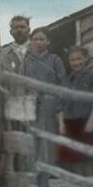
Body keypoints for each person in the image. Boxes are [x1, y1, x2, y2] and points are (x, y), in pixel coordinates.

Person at [57, 46, 93, 174]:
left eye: (79, 59)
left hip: (86, 120)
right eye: (72, 60)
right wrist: (61, 124)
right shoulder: (66, 80)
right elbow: (60, 103)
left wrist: (91, 121)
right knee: (73, 155)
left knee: (89, 154)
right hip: (69, 121)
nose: (76, 63)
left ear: (86, 59)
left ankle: (92, 184)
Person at [23, 27, 66, 163]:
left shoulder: (55, 60)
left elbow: (62, 84)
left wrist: (59, 109)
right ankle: (35, 173)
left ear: (48, 42)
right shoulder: (27, 62)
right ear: (31, 42)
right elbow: (21, 85)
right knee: (32, 138)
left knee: (49, 138)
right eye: (35, 39)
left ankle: (50, 173)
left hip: (50, 104)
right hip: (31, 105)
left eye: (42, 39)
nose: (38, 42)